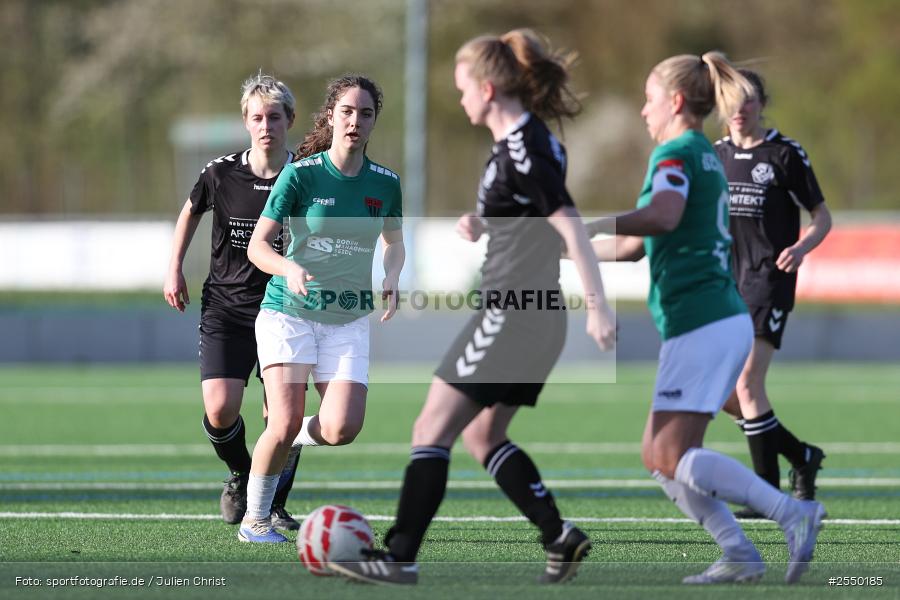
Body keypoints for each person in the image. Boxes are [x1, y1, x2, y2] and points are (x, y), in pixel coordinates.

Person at [328, 29, 616, 585]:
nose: (459, 98)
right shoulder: (528, 141)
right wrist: (484, 221)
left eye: (463, 87)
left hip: (513, 315)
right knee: (483, 437)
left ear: (487, 88)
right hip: (533, 316)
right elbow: (531, 213)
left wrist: (598, 306)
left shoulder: (524, 147)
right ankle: (558, 535)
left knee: (430, 429)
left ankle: (399, 556)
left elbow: (569, 225)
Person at [583, 52, 825, 584]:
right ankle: (738, 551)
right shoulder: (705, 154)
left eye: (648, 100)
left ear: (673, 102)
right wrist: (566, 246)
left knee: (670, 453)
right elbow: (632, 248)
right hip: (710, 321)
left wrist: (589, 223)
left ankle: (793, 514)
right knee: (658, 454)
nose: (643, 111)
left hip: (704, 322)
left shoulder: (677, 152)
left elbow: (662, 216)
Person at [239, 74, 405, 543]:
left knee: (341, 427)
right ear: (331, 116)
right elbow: (258, 247)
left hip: (347, 317)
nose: (355, 121)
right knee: (286, 418)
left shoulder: (385, 183)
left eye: (365, 113)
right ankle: (255, 520)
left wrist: (392, 275)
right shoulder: (301, 174)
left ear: (374, 121)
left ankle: (286, 436)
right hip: (289, 312)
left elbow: (394, 243)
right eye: (347, 112)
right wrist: (287, 267)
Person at [163, 73, 302, 530]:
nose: (267, 125)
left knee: (281, 416)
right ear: (246, 122)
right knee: (220, 410)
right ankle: (242, 474)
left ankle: (272, 503)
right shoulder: (219, 172)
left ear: (289, 121)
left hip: (285, 309)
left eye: (275, 117)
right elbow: (190, 213)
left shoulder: (307, 174)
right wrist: (174, 267)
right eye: (258, 117)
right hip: (226, 307)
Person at [715, 69, 832, 518]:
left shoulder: (784, 154)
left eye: (748, 101)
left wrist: (801, 247)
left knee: (747, 383)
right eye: (731, 101)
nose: (739, 110)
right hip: (726, 285)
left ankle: (766, 495)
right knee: (721, 394)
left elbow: (821, 216)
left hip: (769, 280)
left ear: (762, 104)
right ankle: (801, 455)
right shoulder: (715, 155)